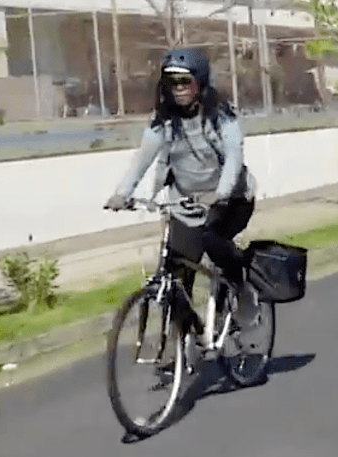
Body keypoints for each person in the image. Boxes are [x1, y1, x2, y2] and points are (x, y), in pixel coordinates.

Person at [103, 49, 257, 317]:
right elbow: (142, 160)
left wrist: (220, 193)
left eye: (185, 81)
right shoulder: (164, 121)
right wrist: (122, 193)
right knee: (177, 276)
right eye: (172, 82)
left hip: (231, 199)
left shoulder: (221, 116)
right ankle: (184, 346)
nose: (179, 89)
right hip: (185, 203)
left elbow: (234, 156)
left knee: (213, 241)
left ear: (200, 82)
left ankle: (240, 287)